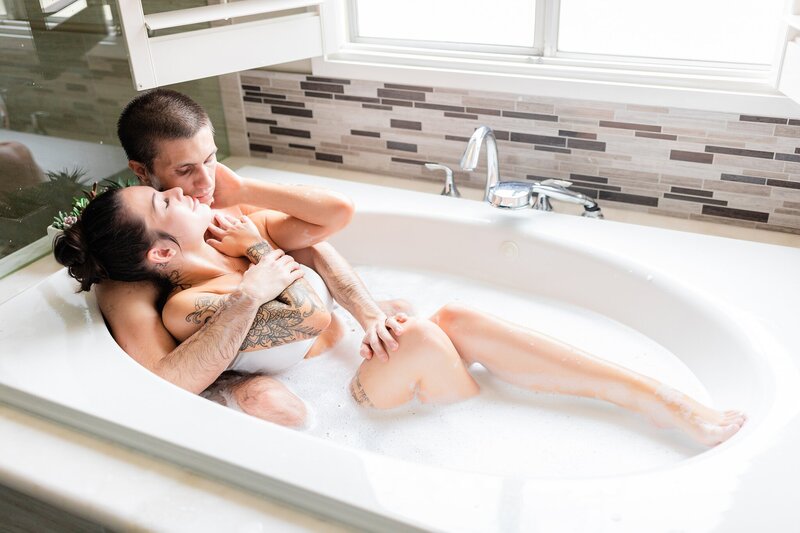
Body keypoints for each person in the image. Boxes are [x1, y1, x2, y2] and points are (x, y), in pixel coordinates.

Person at [55, 184, 747, 447]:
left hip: (356, 369)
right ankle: (500, 439)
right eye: (162, 198)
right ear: (162, 248)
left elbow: (330, 227)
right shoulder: (186, 306)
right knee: (419, 335)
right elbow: (304, 312)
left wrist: (264, 250)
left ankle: (669, 402)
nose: (180, 188)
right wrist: (262, 260)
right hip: (355, 400)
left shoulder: (233, 241)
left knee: (461, 316)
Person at [100, 89, 404, 426]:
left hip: (339, 349)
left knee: (409, 315)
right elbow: (162, 381)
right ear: (142, 171)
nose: (206, 182)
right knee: (268, 401)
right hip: (303, 375)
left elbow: (319, 240)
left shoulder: (226, 208)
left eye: (210, 159)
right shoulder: (133, 276)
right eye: (185, 170)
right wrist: (237, 383)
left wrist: (369, 315)